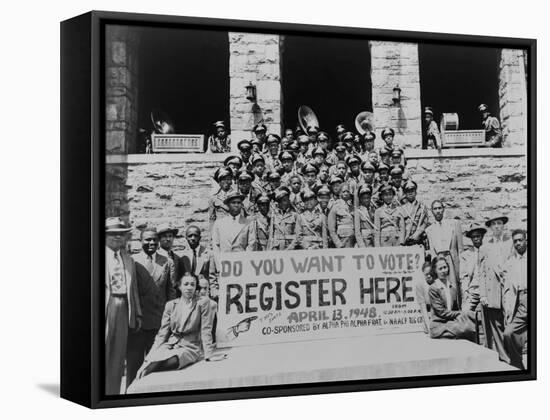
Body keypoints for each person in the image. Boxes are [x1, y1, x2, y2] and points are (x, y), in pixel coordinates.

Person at [136, 273, 225, 379]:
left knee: (171, 361)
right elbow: (162, 334)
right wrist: (149, 357)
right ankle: (147, 369)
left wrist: (209, 354)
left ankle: (150, 369)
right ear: (179, 286)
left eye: (192, 284)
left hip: (190, 347)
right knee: (152, 361)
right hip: (170, 345)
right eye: (186, 284)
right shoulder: (171, 305)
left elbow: (206, 329)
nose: (189, 287)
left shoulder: (203, 303)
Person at [127, 228, 177, 386]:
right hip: (138, 323)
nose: (151, 243)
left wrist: (171, 320)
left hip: (159, 323)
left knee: (156, 366)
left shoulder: (167, 262)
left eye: (154, 239)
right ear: (140, 241)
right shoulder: (132, 261)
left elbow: (172, 293)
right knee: (134, 366)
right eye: (147, 240)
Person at [104, 217, 141, 395]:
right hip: (106, 305)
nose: (118, 238)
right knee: (102, 350)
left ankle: (111, 394)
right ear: (104, 236)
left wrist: (137, 314)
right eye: (113, 234)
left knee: (118, 355)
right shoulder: (96, 255)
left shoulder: (128, 260)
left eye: (121, 234)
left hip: (124, 306)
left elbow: (133, 289)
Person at [461, 224, 508, 361]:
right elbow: (463, 276)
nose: (476, 239)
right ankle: (472, 348)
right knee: (466, 314)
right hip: (472, 290)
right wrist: (466, 292)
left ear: (482, 237)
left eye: (478, 236)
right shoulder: (466, 255)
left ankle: (492, 350)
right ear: (471, 239)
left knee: (489, 321)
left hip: (486, 290)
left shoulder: (488, 250)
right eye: (474, 237)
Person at [210, 191, 249, 296]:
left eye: (239, 202)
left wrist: (246, 263)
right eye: (233, 203)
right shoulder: (219, 223)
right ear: (228, 205)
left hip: (242, 266)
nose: (236, 205)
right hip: (225, 267)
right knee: (226, 296)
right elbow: (216, 245)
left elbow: (251, 245)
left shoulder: (248, 223)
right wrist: (219, 266)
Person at [428, 256, 476, 341]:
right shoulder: (433, 288)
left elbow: (455, 308)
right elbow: (441, 313)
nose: (443, 271)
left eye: (445, 267)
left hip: (451, 322)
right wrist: (460, 313)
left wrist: (461, 315)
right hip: (439, 325)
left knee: (470, 325)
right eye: (440, 269)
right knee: (467, 330)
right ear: (435, 271)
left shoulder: (452, 287)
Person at [425, 200, 463, 301]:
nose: (438, 211)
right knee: (442, 287)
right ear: (432, 211)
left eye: (439, 208)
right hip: (439, 259)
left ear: (443, 209)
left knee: (454, 286)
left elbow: (460, 248)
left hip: (451, 258)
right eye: (435, 209)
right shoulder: (429, 230)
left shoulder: (454, 224)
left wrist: (461, 266)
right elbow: (432, 251)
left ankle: (456, 310)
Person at [502, 229, 528, 369]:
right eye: (515, 241)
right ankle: (518, 365)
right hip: (520, 303)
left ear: (526, 240)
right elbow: (507, 289)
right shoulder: (511, 262)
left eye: (520, 240)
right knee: (508, 333)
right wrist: (508, 310)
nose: (518, 243)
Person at [400, 180, 429, 246]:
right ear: (405, 193)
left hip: (418, 239)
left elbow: (425, 223)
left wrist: (416, 235)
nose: (410, 193)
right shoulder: (401, 208)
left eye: (412, 191)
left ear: (416, 192)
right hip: (406, 240)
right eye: (408, 191)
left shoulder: (422, 207)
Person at [328, 182, 356, 248]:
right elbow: (331, 230)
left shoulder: (352, 207)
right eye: (343, 191)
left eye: (347, 191)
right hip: (342, 240)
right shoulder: (335, 207)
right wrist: (338, 244)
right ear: (340, 193)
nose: (346, 193)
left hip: (353, 240)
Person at [416, 261, 435, 334]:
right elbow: (423, 309)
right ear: (423, 274)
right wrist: (430, 328)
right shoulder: (420, 285)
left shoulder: (438, 282)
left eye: (431, 273)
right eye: (427, 274)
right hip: (428, 316)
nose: (429, 276)